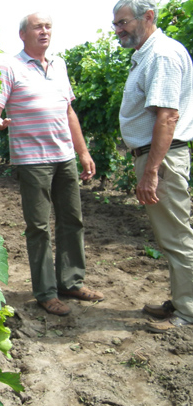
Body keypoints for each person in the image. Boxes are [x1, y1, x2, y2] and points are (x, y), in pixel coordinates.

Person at [0, 12, 104, 316]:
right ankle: (46, 292)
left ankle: (71, 281)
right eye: (38, 27)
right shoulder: (9, 65)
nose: (44, 31)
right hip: (32, 159)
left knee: (72, 220)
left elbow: (69, 112)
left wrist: (83, 152)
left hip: (65, 157)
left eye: (48, 26)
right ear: (23, 35)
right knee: (38, 227)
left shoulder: (59, 65)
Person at [113, 0, 193, 333]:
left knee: (177, 236)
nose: (118, 30)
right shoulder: (148, 54)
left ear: (148, 17)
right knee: (170, 234)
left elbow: (167, 115)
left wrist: (151, 172)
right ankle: (180, 300)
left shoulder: (161, 55)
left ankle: (187, 313)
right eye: (115, 24)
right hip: (156, 156)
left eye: (123, 22)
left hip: (162, 157)